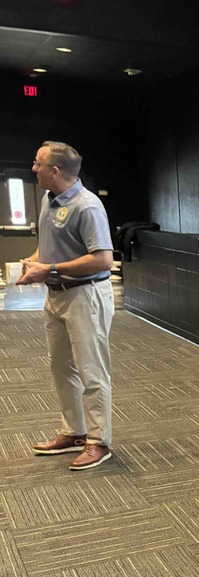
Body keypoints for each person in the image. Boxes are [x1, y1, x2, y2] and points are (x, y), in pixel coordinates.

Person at [19, 141, 115, 470]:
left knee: (91, 371)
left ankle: (99, 442)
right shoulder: (48, 200)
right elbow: (48, 249)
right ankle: (75, 431)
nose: (33, 169)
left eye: (37, 164)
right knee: (61, 368)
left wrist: (51, 269)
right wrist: (34, 263)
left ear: (55, 170)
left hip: (85, 296)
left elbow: (103, 259)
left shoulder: (87, 206)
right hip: (56, 295)